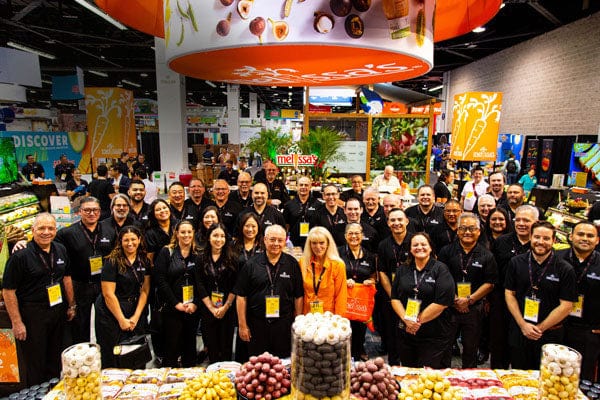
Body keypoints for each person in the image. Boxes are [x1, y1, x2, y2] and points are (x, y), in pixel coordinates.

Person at [2, 213, 75, 387]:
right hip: (33, 314)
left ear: (55, 230)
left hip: (57, 311)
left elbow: (66, 278)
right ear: (33, 230)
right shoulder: (20, 256)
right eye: (41, 228)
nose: (46, 232)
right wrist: (17, 322)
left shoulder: (60, 249)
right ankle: (37, 392)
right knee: (35, 361)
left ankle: (54, 389)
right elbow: (8, 291)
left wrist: (71, 305)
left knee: (56, 356)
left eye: (50, 228)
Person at [504, 221, 577, 369]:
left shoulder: (565, 269)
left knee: (547, 376)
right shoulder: (516, 262)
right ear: (530, 237)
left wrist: (540, 328)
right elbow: (509, 293)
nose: (541, 242)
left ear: (554, 240)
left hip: (550, 334)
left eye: (546, 238)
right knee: (519, 374)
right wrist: (523, 325)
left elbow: (567, 305)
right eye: (537, 237)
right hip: (520, 330)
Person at [234, 224, 304, 358]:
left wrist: (297, 323)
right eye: (272, 239)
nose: (276, 243)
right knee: (257, 365)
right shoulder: (251, 264)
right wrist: (242, 325)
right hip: (257, 325)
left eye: (280, 240)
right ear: (265, 240)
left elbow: (298, 296)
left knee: (282, 365)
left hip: (283, 325)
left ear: (285, 241)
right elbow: (241, 296)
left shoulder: (292, 264)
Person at [438, 213, 497, 368]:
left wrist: (469, 300)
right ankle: (443, 376)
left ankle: (469, 378)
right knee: (444, 347)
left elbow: (490, 283)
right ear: (457, 231)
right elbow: (441, 278)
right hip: (449, 306)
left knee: (471, 348)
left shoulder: (487, 255)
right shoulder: (446, 251)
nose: (467, 232)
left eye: (472, 228)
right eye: (463, 228)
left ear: (479, 231)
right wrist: (455, 299)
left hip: (474, 308)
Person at [390, 233, 456, 368]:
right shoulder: (402, 269)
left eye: (423, 244)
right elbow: (395, 298)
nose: (419, 247)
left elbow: (441, 302)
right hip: (406, 331)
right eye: (415, 245)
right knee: (409, 372)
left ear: (431, 248)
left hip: (433, 333)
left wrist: (416, 322)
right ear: (410, 249)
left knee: (427, 373)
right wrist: (407, 320)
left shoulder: (441, 269)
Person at [55, 197, 112, 344]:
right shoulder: (66, 233)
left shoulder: (109, 230)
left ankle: (105, 353)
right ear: (79, 212)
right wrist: (22, 242)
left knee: (105, 322)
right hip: (79, 284)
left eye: (95, 210)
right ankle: (83, 352)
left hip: (103, 284)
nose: (91, 213)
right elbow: (48, 243)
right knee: (80, 325)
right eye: (87, 210)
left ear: (100, 211)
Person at [489, 204, 538, 368]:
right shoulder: (502, 241)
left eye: (526, 220)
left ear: (536, 222)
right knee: (499, 347)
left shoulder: (539, 244)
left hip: (528, 303)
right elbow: (493, 273)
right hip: (501, 301)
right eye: (518, 220)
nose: (521, 224)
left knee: (523, 350)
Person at [94, 226, 151, 368]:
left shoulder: (144, 260)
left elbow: (145, 290)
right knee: (113, 353)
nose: (130, 243)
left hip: (135, 308)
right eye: (126, 240)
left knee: (136, 352)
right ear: (120, 241)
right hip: (112, 310)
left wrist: (136, 316)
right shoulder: (112, 261)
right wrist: (121, 319)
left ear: (139, 240)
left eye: (133, 239)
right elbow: (108, 294)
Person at [153, 220, 200, 367]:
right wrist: (176, 303)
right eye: (183, 232)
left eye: (189, 232)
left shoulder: (198, 254)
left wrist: (195, 303)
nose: (186, 235)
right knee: (171, 346)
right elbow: (161, 280)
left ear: (193, 233)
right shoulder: (167, 252)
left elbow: (202, 282)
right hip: (171, 307)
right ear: (177, 234)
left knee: (190, 346)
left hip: (191, 307)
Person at [559, 222, 600, 381]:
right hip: (557, 327)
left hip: (589, 331)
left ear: (597, 240)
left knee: (582, 378)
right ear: (571, 236)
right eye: (580, 234)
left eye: (590, 236)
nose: (585, 238)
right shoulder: (556, 257)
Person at [197, 223, 238, 362]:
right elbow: (200, 284)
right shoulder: (200, 258)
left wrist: (225, 307)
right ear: (209, 237)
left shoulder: (233, 258)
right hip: (208, 308)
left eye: (222, 236)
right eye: (215, 235)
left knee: (226, 347)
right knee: (212, 345)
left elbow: (235, 285)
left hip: (227, 309)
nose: (219, 239)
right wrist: (211, 308)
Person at [377, 208, 412, 366]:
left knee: (410, 329)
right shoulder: (383, 245)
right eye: (393, 220)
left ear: (407, 221)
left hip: (412, 296)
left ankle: (411, 365)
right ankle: (393, 364)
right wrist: (393, 296)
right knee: (391, 332)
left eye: (400, 219)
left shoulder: (415, 241)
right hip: (390, 295)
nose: (396, 223)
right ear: (388, 223)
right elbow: (382, 272)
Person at [338, 223, 377, 361]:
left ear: (362, 236)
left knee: (360, 326)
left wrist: (370, 281)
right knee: (344, 326)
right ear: (345, 236)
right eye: (350, 233)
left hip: (360, 299)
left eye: (357, 233)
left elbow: (373, 276)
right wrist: (344, 280)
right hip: (343, 297)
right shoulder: (338, 253)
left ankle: (359, 350)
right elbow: (332, 274)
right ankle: (343, 353)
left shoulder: (369, 255)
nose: (354, 236)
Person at [299, 227, 348, 315]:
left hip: (329, 316)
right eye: (314, 243)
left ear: (328, 243)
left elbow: (341, 296)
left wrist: (338, 319)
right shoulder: (302, 263)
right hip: (307, 316)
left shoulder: (338, 265)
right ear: (309, 244)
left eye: (321, 243)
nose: (318, 247)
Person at [284, 175, 320, 248]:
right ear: (297, 187)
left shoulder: (318, 204)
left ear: (310, 187)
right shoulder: (289, 204)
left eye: (306, 185)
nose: (303, 187)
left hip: (313, 242)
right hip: (293, 242)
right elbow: (286, 225)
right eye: (301, 185)